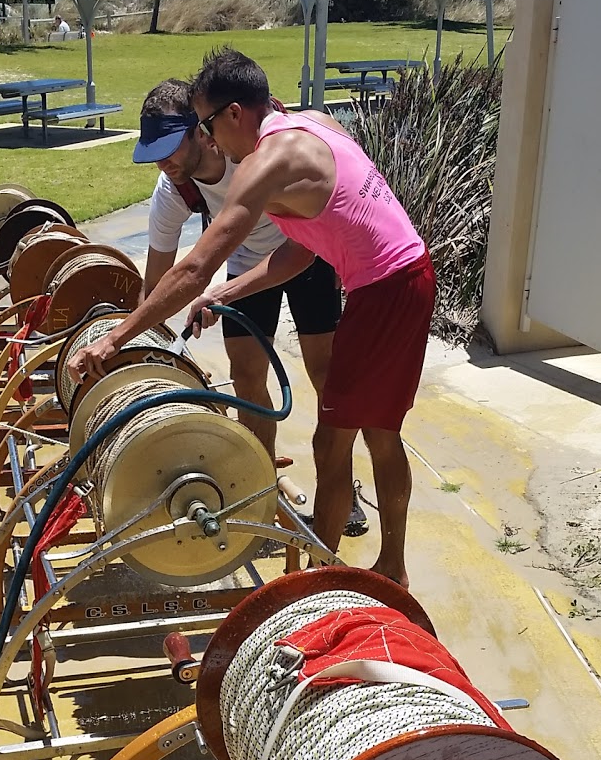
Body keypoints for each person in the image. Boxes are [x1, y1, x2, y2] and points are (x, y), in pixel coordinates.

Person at [67, 47, 435, 588]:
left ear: (234, 113)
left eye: (206, 123)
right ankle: (387, 568)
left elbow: (194, 267)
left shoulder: (265, 162)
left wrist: (115, 338)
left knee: (332, 442)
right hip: (397, 281)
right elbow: (299, 253)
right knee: (377, 433)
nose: (208, 137)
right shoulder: (310, 125)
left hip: (385, 291)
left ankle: (321, 580)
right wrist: (228, 292)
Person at [135, 76, 342, 463]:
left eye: (168, 150)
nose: (162, 164)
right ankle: (260, 481)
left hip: (305, 251)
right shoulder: (174, 190)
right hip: (248, 266)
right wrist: (137, 351)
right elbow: (157, 283)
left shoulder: (250, 149)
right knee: (246, 378)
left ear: (199, 130)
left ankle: (338, 484)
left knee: (327, 375)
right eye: (153, 154)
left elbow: (196, 269)